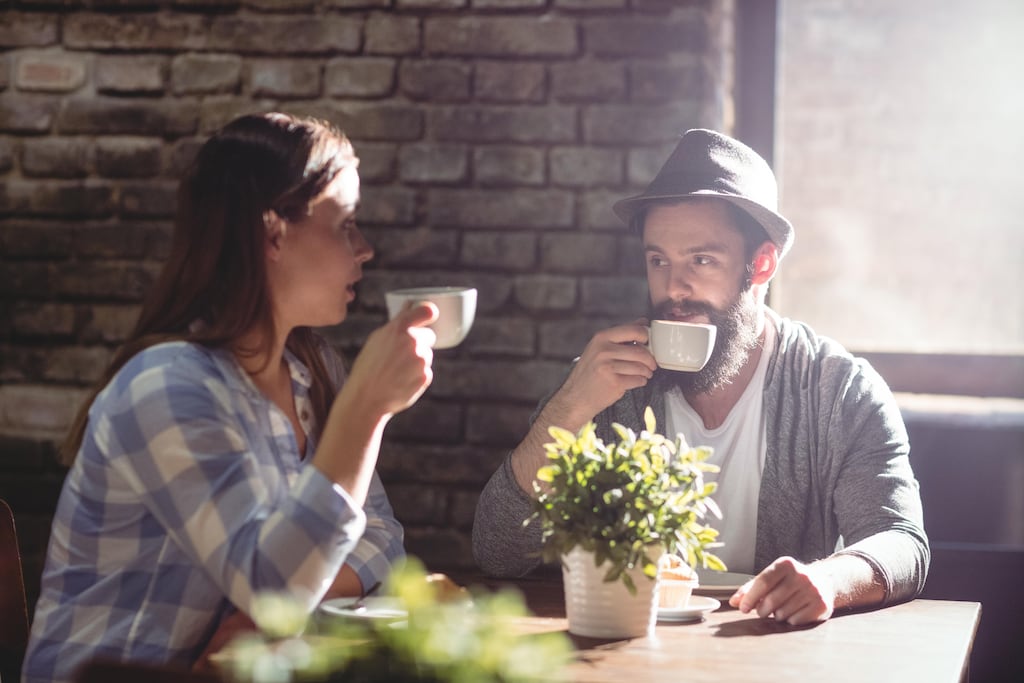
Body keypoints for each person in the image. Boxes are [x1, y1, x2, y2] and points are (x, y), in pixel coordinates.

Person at [22, 113, 437, 682]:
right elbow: (278, 589)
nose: (364, 249)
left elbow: (382, 537)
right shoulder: (167, 385)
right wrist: (367, 410)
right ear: (273, 234)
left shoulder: (311, 373)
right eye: (346, 225)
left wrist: (261, 613)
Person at [472, 128, 929, 626]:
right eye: (658, 260)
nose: (674, 289)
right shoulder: (605, 386)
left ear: (761, 264)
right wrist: (569, 410)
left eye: (702, 260)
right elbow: (497, 552)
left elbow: (903, 543)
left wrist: (829, 581)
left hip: (770, 655)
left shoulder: (839, 391)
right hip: (629, 653)